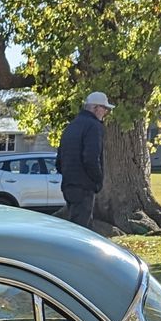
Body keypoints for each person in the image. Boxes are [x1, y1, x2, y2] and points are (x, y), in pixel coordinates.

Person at [58, 91, 111, 228]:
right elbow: (91, 158)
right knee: (82, 230)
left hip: (68, 185)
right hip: (84, 186)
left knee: (76, 227)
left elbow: (59, 161)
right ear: (95, 108)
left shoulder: (71, 126)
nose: (105, 112)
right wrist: (98, 180)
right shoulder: (93, 126)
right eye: (104, 108)